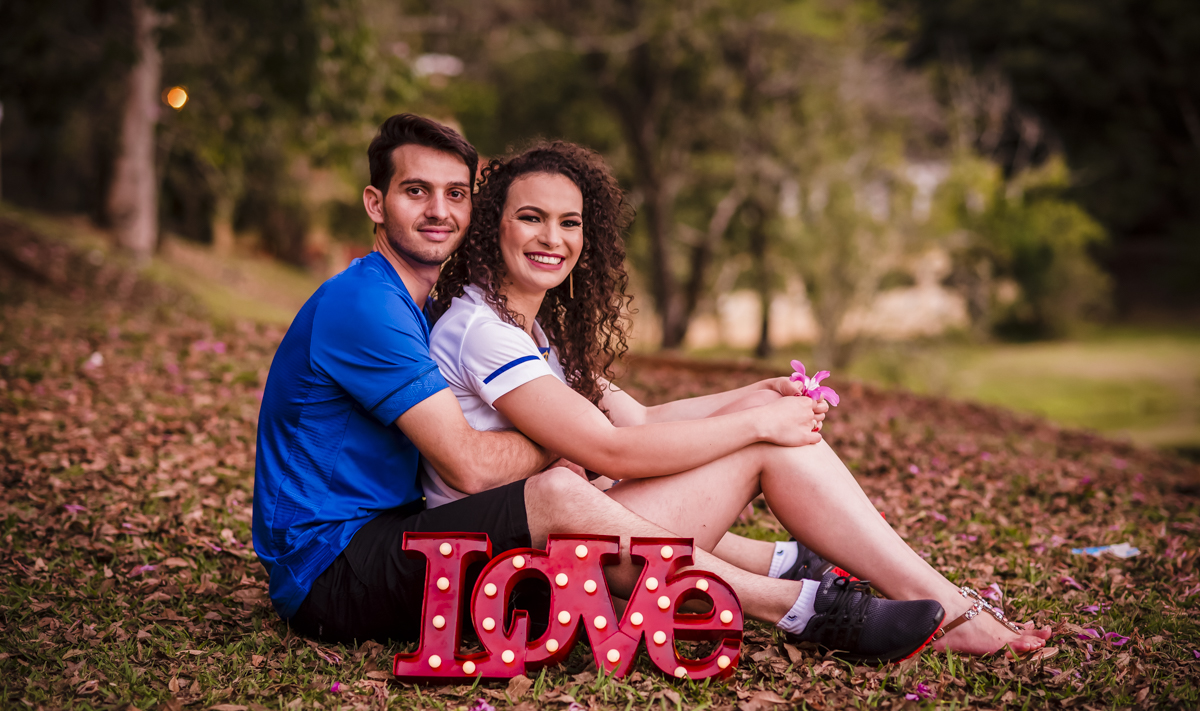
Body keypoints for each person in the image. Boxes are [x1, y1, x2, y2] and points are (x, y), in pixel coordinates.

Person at [251, 113, 952, 664]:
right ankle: (802, 604)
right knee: (566, 487)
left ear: (473, 206)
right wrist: (573, 449)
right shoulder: (375, 305)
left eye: (454, 193)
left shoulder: (439, 306)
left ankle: (869, 587)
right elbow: (470, 460)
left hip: (401, 537)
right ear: (375, 203)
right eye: (415, 191)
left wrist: (749, 402)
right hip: (331, 570)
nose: (439, 210)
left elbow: (630, 421)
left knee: (587, 477)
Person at [427, 140, 1052, 657]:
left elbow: (640, 418)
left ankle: (936, 602)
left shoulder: (527, 331)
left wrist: (755, 395)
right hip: (519, 570)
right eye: (531, 217)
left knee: (774, 442)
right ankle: (949, 614)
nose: (554, 238)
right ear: (493, 227)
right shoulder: (482, 331)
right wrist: (761, 424)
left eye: (570, 222)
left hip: (560, 539)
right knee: (776, 451)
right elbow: (614, 449)